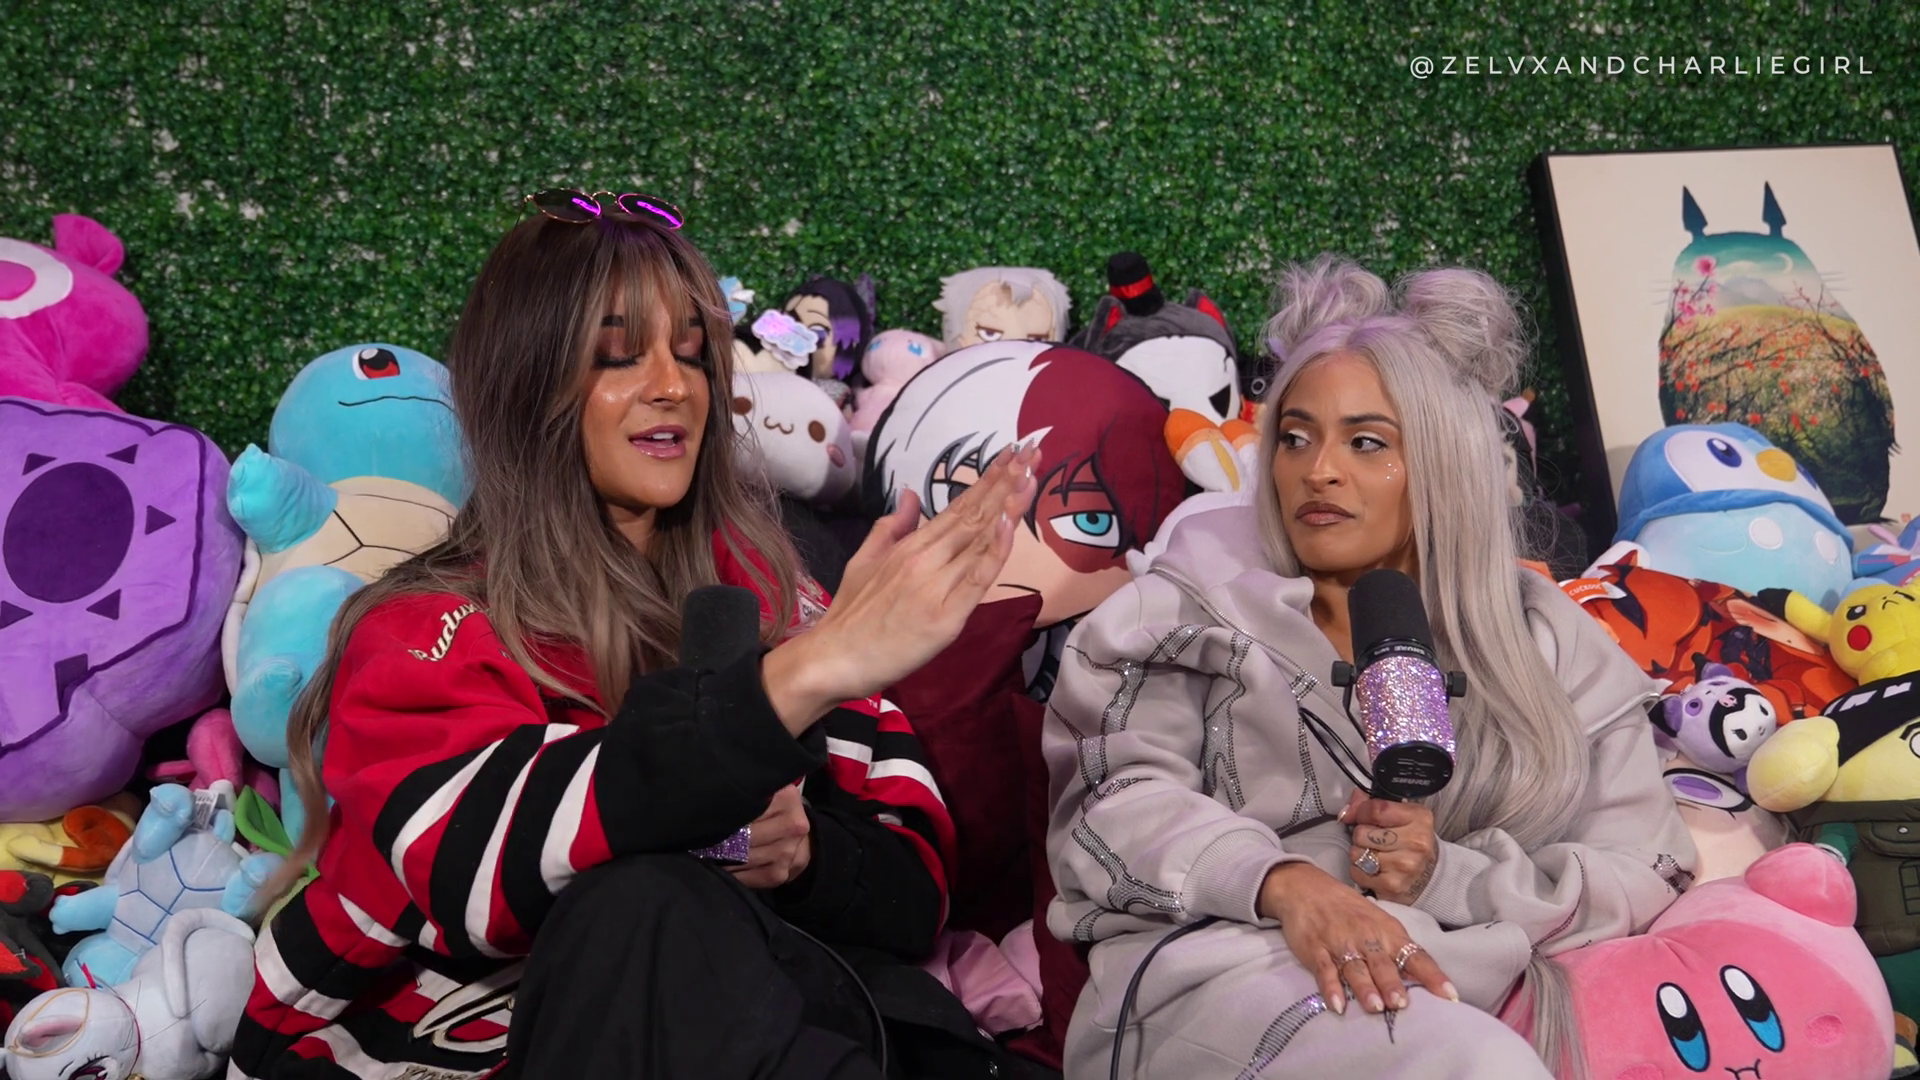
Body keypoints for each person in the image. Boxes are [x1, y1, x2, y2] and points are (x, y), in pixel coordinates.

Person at [229, 190, 1041, 1080]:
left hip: (776, 1015)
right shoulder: (423, 625)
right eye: (617, 355)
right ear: (525, 385)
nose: (672, 386)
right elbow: (468, 869)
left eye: (692, 353)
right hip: (448, 1044)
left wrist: (804, 856)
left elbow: (914, 895)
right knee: (644, 900)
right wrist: (798, 680)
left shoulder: (772, 590)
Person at [1042, 256, 1696, 1079]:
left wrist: (1446, 878)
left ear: (1445, 462)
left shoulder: (1548, 641)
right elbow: (1110, 807)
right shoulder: (1180, 610)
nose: (1318, 470)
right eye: (1295, 437)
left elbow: (1646, 868)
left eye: (1366, 443)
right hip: (1218, 973)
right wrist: (1283, 882)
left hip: (1475, 978)